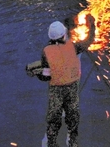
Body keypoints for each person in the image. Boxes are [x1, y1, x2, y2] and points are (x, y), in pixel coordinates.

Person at [34, 15, 95, 147]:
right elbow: (90, 40)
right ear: (64, 35)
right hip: (71, 89)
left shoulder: (46, 51)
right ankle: (71, 142)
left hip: (56, 91)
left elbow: (46, 76)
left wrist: (37, 74)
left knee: (53, 122)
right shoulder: (73, 47)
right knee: (72, 120)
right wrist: (92, 24)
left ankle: (49, 143)